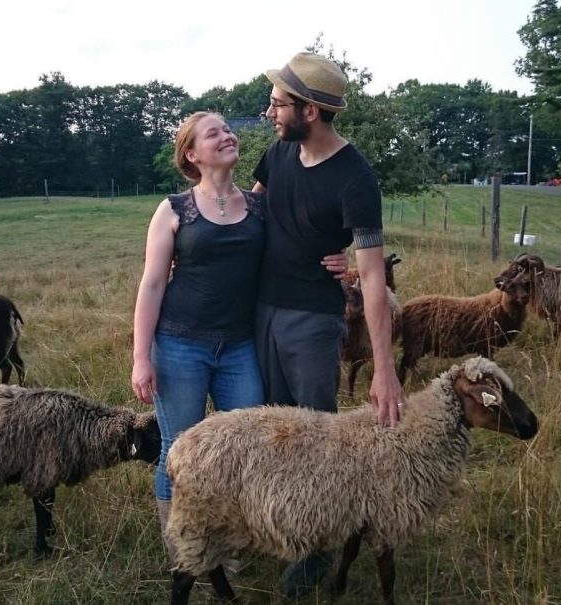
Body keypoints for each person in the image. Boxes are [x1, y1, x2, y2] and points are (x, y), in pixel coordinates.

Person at [131, 111, 347, 565]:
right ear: (192, 154)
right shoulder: (174, 209)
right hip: (178, 345)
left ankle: (233, 544)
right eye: (215, 133)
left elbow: (302, 242)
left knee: (247, 449)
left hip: (240, 348)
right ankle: (183, 553)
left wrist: (343, 255)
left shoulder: (260, 206)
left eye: (228, 129)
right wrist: (141, 358)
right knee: (180, 448)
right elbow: (152, 284)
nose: (227, 135)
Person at [252, 52, 405, 597]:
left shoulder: (356, 179)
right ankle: (279, 528)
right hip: (260, 313)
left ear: (310, 111)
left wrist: (383, 372)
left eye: (278, 103)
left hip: (313, 322)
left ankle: (318, 549)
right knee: (272, 431)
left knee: (316, 438)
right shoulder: (277, 154)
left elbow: (370, 279)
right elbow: (253, 210)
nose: (270, 110)